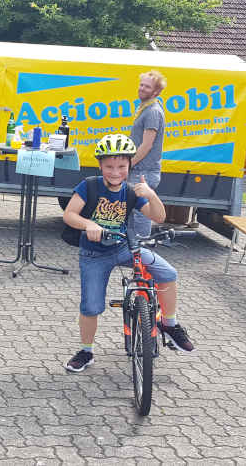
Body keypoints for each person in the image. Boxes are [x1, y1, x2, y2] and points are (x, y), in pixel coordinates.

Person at [61, 134, 194, 373]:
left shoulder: (132, 191)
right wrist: (88, 225)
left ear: (129, 166)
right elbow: (69, 215)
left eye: (121, 166)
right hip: (94, 255)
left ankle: (169, 325)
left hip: (124, 248)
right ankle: (86, 351)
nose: (115, 172)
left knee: (168, 273)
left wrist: (151, 195)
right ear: (100, 165)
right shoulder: (89, 185)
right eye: (109, 166)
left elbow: (159, 217)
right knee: (91, 306)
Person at [128, 70, 167, 240]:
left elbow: (146, 145)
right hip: (139, 170)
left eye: (147, 86)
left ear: (156, 92)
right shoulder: (144, 108)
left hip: (143, 172)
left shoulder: (152, 111)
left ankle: (142, 250)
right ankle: (134, 250)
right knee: (133, 212)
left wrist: (128, 165)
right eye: (141, 84)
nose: (142, 88)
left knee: (141, 213)